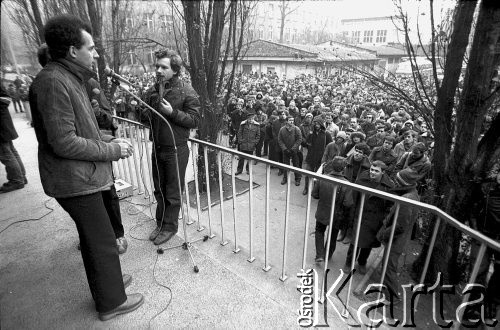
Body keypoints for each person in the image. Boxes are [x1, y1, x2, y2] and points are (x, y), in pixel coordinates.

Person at [29, 15, 143, 320]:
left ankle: (110, 284)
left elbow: (77, 128)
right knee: (101, 241)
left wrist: (104, 137)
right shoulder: (54, 82)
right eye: (90, 48)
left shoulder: (68, 77)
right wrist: (111, 149)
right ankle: (111, 302)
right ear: (71, 51)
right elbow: (63, 142)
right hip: (75, 181)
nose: (95, 53)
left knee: (99, 239)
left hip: (83, 177)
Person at [37, 43, 127, 254]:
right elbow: (65, 139)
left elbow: (106, 117)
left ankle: (115, 235)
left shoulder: (88, 82)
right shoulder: (52, 83)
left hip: (99, 152)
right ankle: (98, 241)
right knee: (92, 219)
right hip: (82, 169)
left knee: (108, 197)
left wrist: (105, 131)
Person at [140, 49, 200, 246]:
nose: (159, 70)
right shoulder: (154, 89)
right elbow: (145, 117)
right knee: (159, 188)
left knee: (173, 190)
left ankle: (170, 227)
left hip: (176, 149)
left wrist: (172, 112)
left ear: (175, 69)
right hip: (157, 147)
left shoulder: (186, 90)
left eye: (164, 67)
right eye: (157, 66)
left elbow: (195, 120)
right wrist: (141, 108)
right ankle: (161, 222)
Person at [343, 161, 395, 274]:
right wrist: (352, 216)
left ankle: (362, 262)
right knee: (355, 242)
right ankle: (349, 262)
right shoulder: (362, 180)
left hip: (375, 219)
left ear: (383, 172)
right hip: (360, 215)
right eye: (371, 169)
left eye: (376, 171)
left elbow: (390, 205)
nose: (372, 172)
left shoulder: (389, 186)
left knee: (368, 244)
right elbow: (354, 198)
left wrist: (384, 220)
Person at [376, 173, 420, 301]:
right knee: (388, 265)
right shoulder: (413, 194)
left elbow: (400, 225)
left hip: (396, 241)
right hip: (399, 239)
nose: (395, 182)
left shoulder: (407, 199)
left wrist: (384, 234)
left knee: (389, 267)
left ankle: (392, 297)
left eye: (397, 180)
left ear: (403, 183)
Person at [312, 157, 353, 263]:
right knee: (333, 234)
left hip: (322, 210)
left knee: (319, 230)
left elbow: (315, 195)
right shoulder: (347, 184)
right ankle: (327, 255)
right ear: (343, 168)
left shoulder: (323, 178)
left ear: (332, 165)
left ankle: (319, 254)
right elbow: (348, 203)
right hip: (337, 214)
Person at [0, 86, 27, 192]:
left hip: (1, 125)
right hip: (3, 124)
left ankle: (16, 180)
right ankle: (20, 177)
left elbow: (5, 98)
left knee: (5, 154)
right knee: (10, 151)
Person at [303, 116, 332, 195]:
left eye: (318, 123)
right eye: (315, 123)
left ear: (321, 124)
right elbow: (306, 143)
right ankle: (306, 188)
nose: (316, 125)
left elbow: (329, 146)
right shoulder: (311, 133)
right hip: (311, 157)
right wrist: (309, 134)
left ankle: (315, 190)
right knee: (308, 174)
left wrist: (326, 159)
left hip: (321, 158)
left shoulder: (327, 134)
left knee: (318, 176)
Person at [278, 115, 302, 186]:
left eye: (292, 120)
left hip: (294, 151)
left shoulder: (296, 129)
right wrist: (284, 149)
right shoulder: (282, 129)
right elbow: (280, 140)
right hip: (285, 151)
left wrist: (293, 149)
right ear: (286, 121)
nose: (291, 121)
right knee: (285, 165)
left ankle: (297, 178)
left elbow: (299, 139)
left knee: (296, 165)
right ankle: (285, 178)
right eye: (290, 120)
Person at [236, 110, 260, 175]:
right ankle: (239, 170)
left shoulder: (257, 125)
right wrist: (240, 141)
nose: (251, 120)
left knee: (249, 159)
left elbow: (258, 135)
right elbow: (239, 133)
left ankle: (248, 170)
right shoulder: (243, 124)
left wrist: (255, 143)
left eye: (252, 118)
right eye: (250, 118)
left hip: (251, 145)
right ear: (247, 118)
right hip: (243, 144)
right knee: (241, 159)